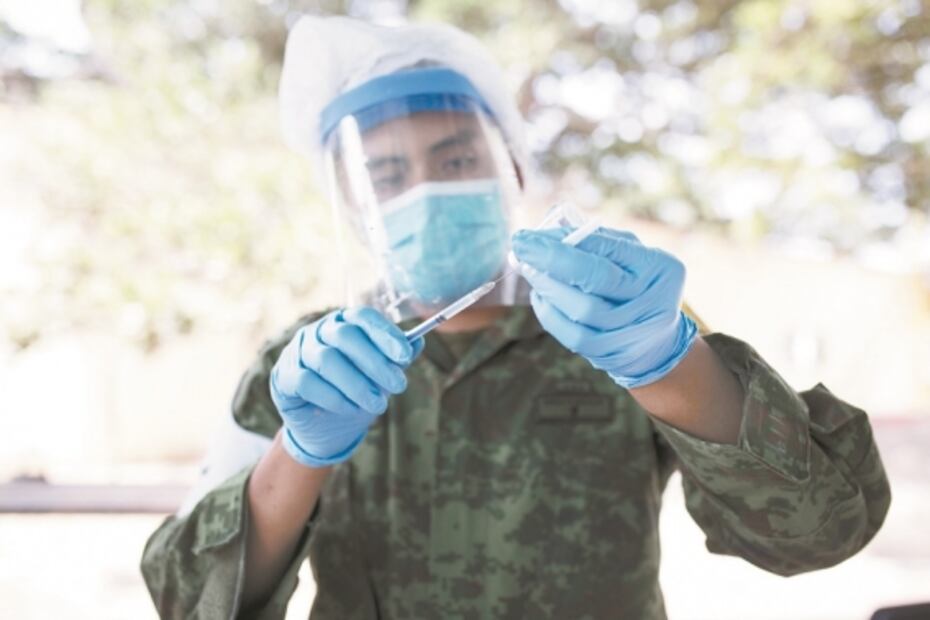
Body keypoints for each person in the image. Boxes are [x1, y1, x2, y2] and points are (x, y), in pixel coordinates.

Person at [140, 15, 891, 619]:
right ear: (351, 207)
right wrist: (301, 451)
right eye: (386, 174)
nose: (427, 190)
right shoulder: (304, 369)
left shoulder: (614, 324)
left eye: (457, 160)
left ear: (514, 170)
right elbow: (187, 602)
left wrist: (669, 361)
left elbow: (821, 531)